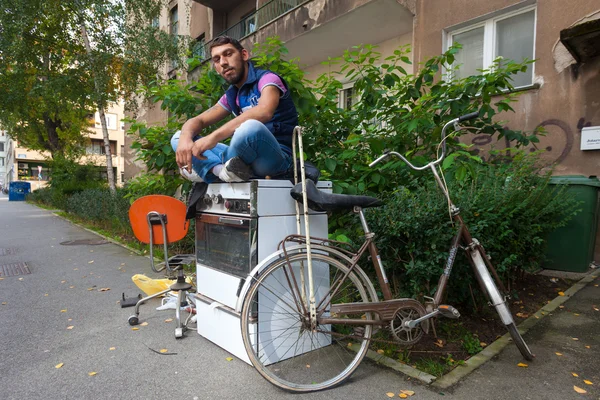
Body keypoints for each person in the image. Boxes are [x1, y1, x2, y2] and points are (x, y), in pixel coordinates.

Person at [172, 36, 298, 183]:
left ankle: (207, 170)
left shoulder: (268, 79)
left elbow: (264, 111)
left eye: (228, 54)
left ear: (244, 55)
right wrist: (185, 139)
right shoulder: (231, 95)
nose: (224, 63)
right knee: (178, 136)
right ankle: (220, 171)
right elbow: (198, 120)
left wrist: (212, 138)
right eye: (217, 59)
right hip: (243, 160)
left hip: (275, 159)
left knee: (250, 128)